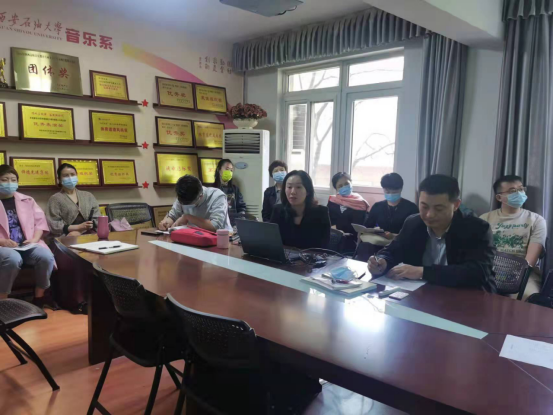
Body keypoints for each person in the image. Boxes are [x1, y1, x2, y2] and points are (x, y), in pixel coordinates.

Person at [368, 174, 496, 292]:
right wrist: (382, 262)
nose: (430, 215)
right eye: (424, 207)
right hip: (422, 294)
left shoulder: (477, 229)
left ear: (456, 205)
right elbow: (393, 250)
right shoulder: (413, 223)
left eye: (439, 209)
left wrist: (422, 272)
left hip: (467, 296)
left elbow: (478, 273)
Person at [480, 175, 547, 298]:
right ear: (499, 197)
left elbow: (531, 260)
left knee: (527, 298)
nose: (519, 193)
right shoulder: (485, 219)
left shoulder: (537, 220)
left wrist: (513, 278)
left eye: (521, 189)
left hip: (524, 274)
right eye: (512, 191)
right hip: (490, 272)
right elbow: (478, 252)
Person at [0, 165, 56, 307]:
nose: (9, 183)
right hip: (3, 247)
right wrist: (2, 241)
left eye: (13, 180)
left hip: (27, 245)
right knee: (13, 258)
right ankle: (3, 300)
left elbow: (40, 223)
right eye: (4, 179)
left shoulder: (27, 200)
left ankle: (39, 296)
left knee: (46, 256)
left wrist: (34, 239)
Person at [270, 170, 330, 249]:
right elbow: (272, 242)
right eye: (289, 187)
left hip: (311, 256)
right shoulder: (278, 210)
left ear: (308, 191)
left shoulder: (321, 213)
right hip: (283, 256)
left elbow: (323, 247)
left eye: (298, 187)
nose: (293, 192)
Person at [158, 175, 232, 232]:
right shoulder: (183, 195)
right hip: (193, 238)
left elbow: (216, 226)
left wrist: (187, 217)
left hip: (223, 240)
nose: (185, 205)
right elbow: (172, 216)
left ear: (200, 196)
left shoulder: (217, 196)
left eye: (190, 204)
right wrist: (166, 223)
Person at [46, 163, 101, 237]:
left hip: (90, 235)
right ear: (59, 179)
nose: (70, 178)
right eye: (65, 175)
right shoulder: (55, 199)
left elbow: (97, 218)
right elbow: (53, 224)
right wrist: (77, 228)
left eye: (72, 174)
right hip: (66, 236)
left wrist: (83, 229)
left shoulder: (88, 196)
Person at [365, 173, 419, 239]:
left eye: (394, 192)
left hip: (402, 243)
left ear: (401, 189)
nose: (391, 194)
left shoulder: (411, 208)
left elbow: (415, 233)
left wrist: (393, 236)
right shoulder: (377, 206)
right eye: (387, 192)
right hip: (379, 241)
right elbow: (367, 227)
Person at [327, 172, 370, 251]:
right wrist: (335, 229)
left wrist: (338, 228)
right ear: (336, 188)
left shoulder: (360, 203)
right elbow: (328, 219)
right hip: (333, 236)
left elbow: (358, 225)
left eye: (346, 184)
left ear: (351, 183)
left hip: (351, 239)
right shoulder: (332, 201)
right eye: (340, 186)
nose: (344, 187)